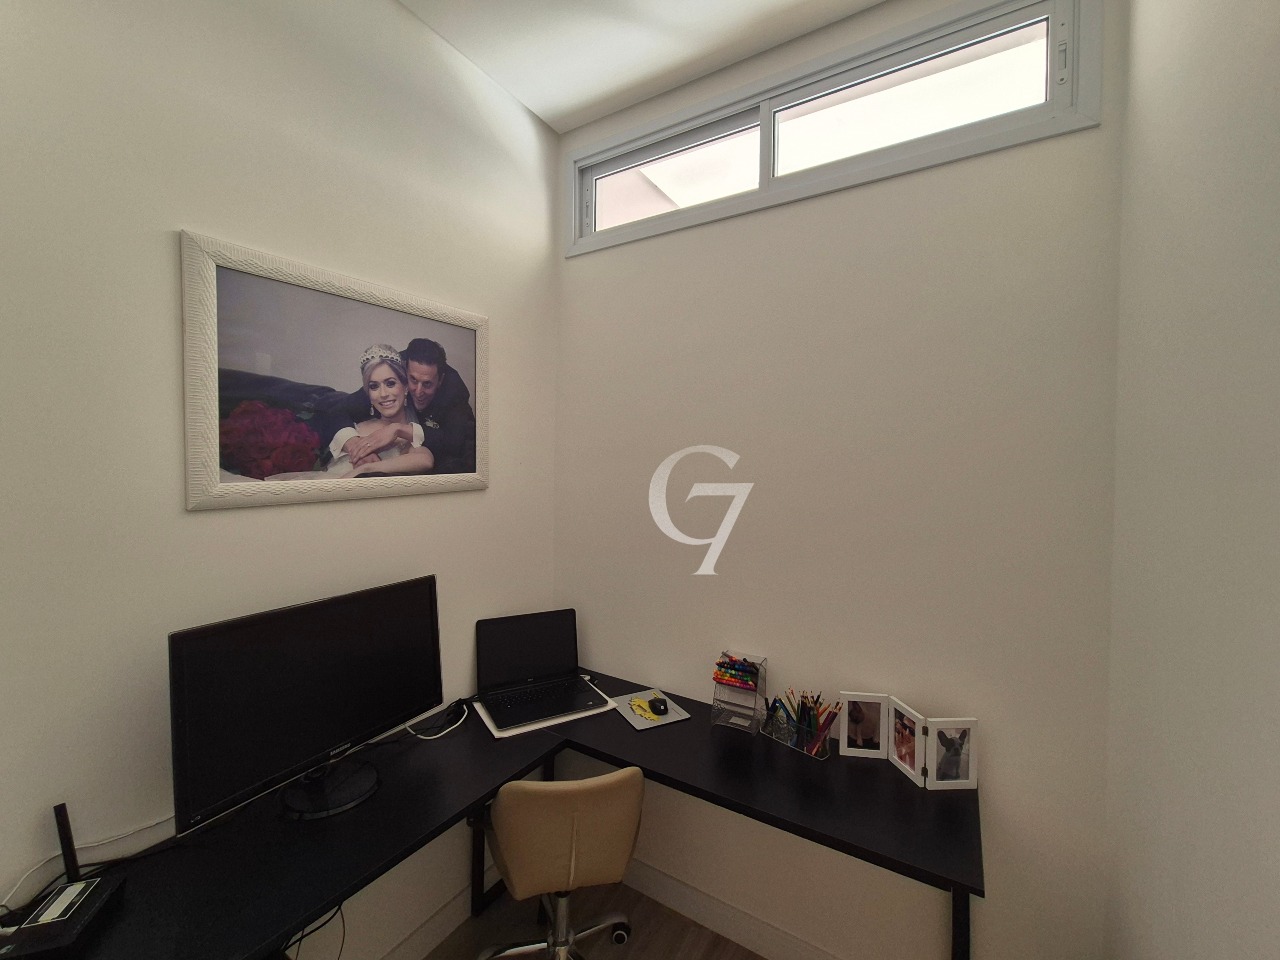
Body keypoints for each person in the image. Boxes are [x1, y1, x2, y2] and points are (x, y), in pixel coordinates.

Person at [270, 345, 435, 480]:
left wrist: (367, 468)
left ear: (405, 387)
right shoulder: (356, 428)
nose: (383, 394)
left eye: (390, 383)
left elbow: (425, 460)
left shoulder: (413, 432)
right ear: (368, 394)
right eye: (374, 386)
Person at [333, 338, 476, 474]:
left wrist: (398, 429)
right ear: (405, 373)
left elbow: (454, 442)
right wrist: (356, 447)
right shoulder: (387, 372)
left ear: (440, 381)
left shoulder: (454, 393)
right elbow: (337, 410)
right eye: (413, 380)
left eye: (427, 384)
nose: (418, 392)